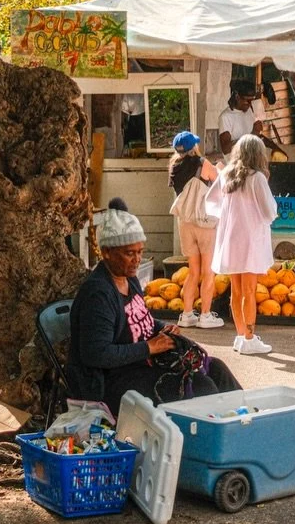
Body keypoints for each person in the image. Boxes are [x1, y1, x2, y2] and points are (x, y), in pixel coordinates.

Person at [67, 199, 240, 418]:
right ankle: (215, 432)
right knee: (201, 387)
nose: (137, 260)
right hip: (112, 380)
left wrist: (162, 328)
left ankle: (246, 421)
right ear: (107, 252)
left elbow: (139, 319)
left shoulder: (129, 279)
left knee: (217, 369)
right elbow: (96, 354)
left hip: (142, 364)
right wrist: (149, 347)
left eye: (140, 252)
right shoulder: (98, 295)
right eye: (130, 253)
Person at [207, 134, 278, 355]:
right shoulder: (257, 178)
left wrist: (228, 217)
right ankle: (249, 338)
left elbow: (211, 202)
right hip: (251, 240)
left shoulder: (226, 175)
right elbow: (269, 211)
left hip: (230, 239)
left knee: (236, 291)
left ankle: (240, 336)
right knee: (249, 291)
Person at [168, 131, 223, 329]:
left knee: (193, 271)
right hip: (204, 223)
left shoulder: (174, 167)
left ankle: (187, 314)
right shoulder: (202, 163)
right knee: (208, 272)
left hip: (185, 223)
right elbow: (220, 182)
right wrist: (220, 168)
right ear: (194, 147)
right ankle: (205, 315)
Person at [217, 81, 264, 156]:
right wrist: (252, 135)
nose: (250, 104)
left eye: (252, 101)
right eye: (248, 101)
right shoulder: (225, 117)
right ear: (237, 97)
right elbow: (226, 149)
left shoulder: (249, 111)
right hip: (237, 162)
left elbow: (256, 137)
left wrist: (274, 147)